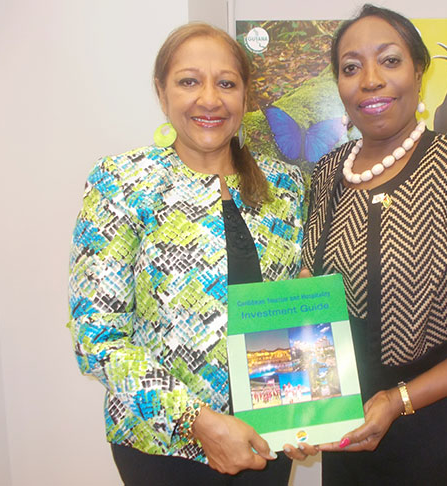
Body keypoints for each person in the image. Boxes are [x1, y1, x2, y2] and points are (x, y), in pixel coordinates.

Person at [286, 5, 447, 485]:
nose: (369, 80)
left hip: (442, 432)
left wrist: (398, 400)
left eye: (389, 61)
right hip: (349, 424)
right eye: (351, 67)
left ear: (419, 71)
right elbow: (314, 287)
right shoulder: (327, 173)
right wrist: (297, 401)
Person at [67, 22, 305, 485]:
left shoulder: (285, 187)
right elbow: (95, 338)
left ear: (245, 95)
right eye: (189, 81)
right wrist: (197, 421)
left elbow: (293, 314)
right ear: (162, 93)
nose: (210, 99)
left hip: (266, 439)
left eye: (227, 83)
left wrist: (308, 408)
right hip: (164, 447)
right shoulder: (124, 182)